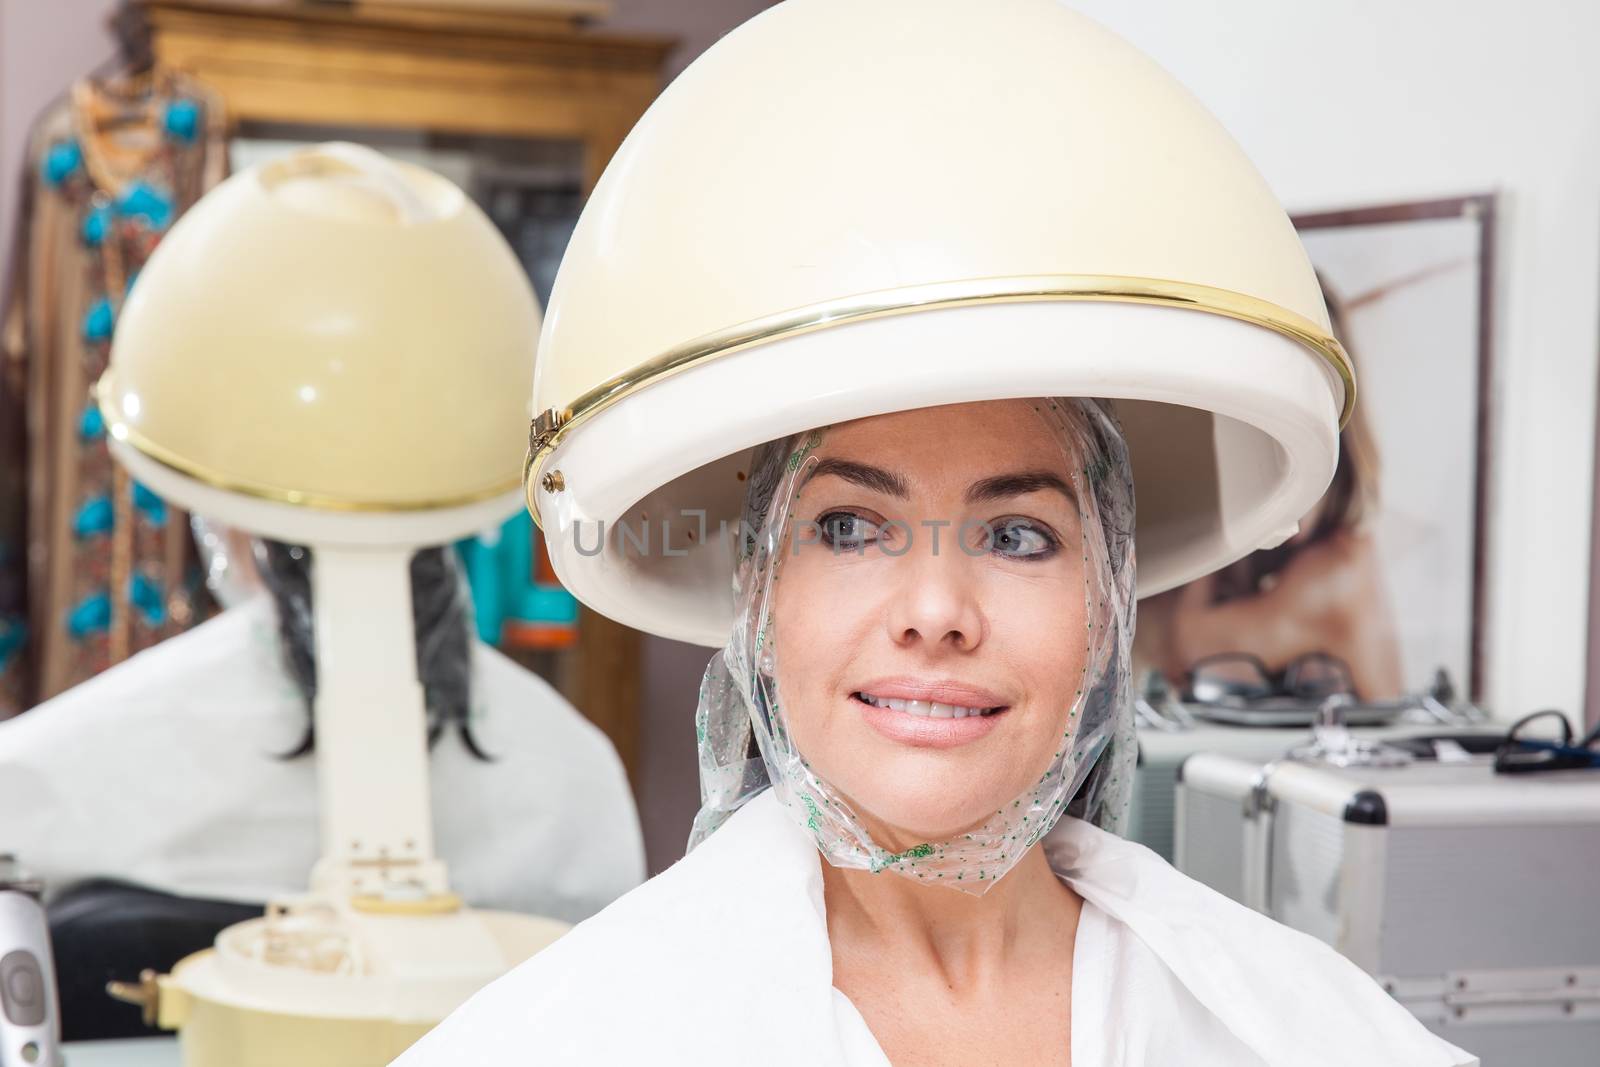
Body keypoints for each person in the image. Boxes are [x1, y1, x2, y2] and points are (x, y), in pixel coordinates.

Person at [396, 1, 1477, 1062]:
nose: (934, 613)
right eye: (853, 526)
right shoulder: (577, 1034)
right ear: (760, 595)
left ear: (1106, 606)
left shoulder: (1290, 1026)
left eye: (1015, 536)